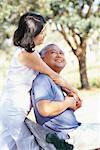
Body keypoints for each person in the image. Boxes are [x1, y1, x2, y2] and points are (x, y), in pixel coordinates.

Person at [0, 12, 79, 150]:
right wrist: (75, 91)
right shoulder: (27, 54)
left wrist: (68, 91)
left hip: (13, 107)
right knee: (28, 146)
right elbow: (53, 75)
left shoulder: (30, 52)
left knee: (7, 145)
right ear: (33, 33)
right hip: (14, 108)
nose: (44, 35)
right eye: (42, 32)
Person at [31, 44, 100, 150]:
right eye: (53, 52)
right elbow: (44, 109)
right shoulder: (43, 79)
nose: (59, 55)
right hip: (67, 137)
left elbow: (56, 112)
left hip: (74, 130)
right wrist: (67, 102)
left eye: (61, 53)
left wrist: (71, 105)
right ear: (42, 59)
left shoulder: (53, 81)